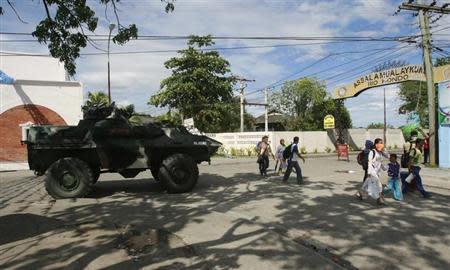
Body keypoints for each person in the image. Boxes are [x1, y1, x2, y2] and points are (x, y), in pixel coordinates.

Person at [357, 138, 387, 205]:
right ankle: (379, 200)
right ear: (375, 144)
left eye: (382, 143)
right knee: (379, 186)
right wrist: (369, 173)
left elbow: (385, 158)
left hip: (377, 172)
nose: (381, 145)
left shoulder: (381, 152)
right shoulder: (372, 152)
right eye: (379, 143)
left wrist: (384, 168)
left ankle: (361, 193)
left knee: (366, 185)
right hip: (372, 172)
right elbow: (369, 163)